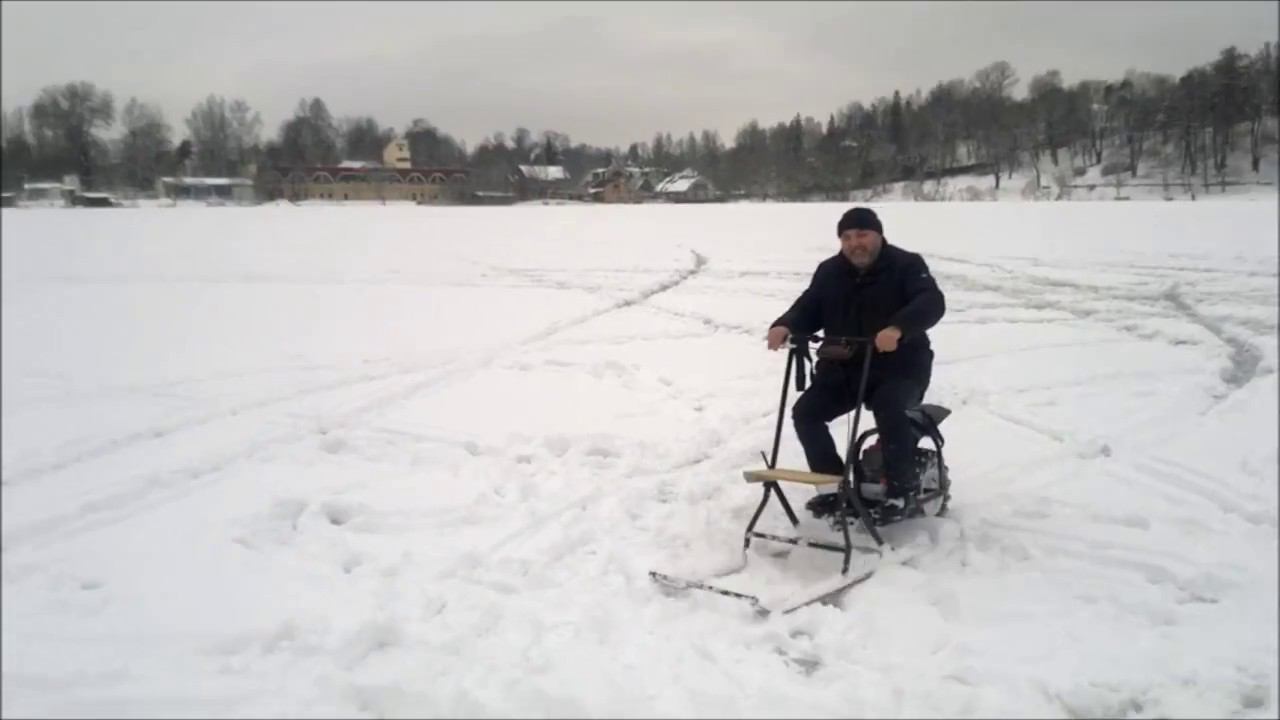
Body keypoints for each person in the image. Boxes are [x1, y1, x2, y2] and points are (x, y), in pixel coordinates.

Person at [766, 207, 945, 522]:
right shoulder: (829, 271)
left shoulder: (907, 265)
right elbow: (809, 307)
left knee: (890, 408)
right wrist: (786, 325)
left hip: (901, 365)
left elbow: (930, 302)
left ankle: (900, 493)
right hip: (845, 366)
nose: (854, 243)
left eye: (861, 234)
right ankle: (833, 488)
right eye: (846, 237)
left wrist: (898, 328)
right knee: (806, 413)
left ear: (878, 235)